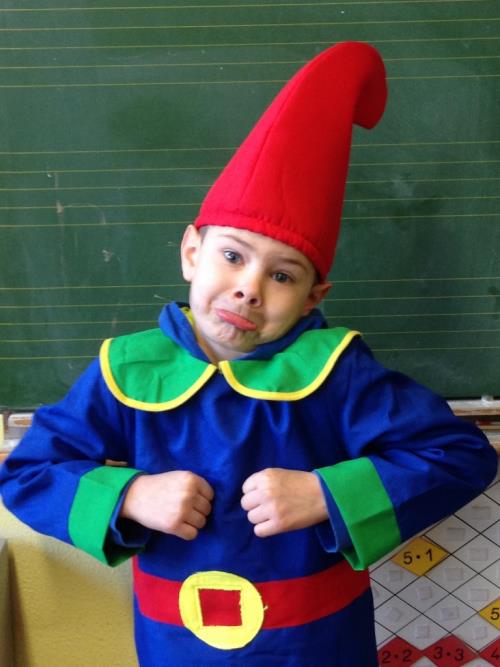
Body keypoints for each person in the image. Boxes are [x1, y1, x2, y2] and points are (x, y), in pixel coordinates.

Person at [0, 42, 497, 667]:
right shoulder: (126, 370)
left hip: (317, 648)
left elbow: (458, 455)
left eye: (282, 275)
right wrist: (129, 497)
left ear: (313, 296)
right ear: (191, 252)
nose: (249, 289)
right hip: (178, 648)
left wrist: (327, 494)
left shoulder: (338, 372)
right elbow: (28, 473)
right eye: (232, 255)